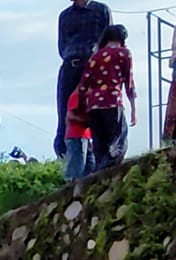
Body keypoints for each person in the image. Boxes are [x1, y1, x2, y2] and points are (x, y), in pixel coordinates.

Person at [57, 0, 114, 158]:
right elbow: (62, 46)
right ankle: (65, 155)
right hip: (71, 65)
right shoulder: (65, 15)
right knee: (66, 110)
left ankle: (101, 156)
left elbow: (109, 41)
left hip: (94, 66)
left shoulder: (101, 10)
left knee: (97, 110)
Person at [76, 24, 135, 174]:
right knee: (118, 142)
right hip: (112, 102)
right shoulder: (123, 53)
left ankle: (98, 176)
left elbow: (83, 85)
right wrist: (134, 108)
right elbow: (129, 83)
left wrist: (80, 108)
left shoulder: (94, 57)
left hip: (93, 106)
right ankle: (109, 172)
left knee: (99, 145)